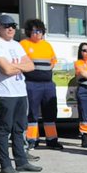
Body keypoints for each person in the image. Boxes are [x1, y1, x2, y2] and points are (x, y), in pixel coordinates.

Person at [0, 14, 41, 173]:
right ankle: (5, 164)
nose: (10, 28)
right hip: (6, 92)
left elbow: (31, 66)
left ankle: (21, 162)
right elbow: (6, 70)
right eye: (6, 26)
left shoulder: (17, 44)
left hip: (20, 91)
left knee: (19, 128)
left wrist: (14, 66)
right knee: (5, 130)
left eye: (13, 26)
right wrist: (19, 66)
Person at [21, 19, 62, 150]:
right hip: (32, 83)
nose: (37, 33)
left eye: (39, 31)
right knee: (32, 112)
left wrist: (48, 68)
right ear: (29, 32)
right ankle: (32, 139)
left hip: (48, 84)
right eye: (34, 31)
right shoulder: (23, 44)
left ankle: (52, 140)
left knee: (50, 112)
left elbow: (53, 60)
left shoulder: (47, 45)